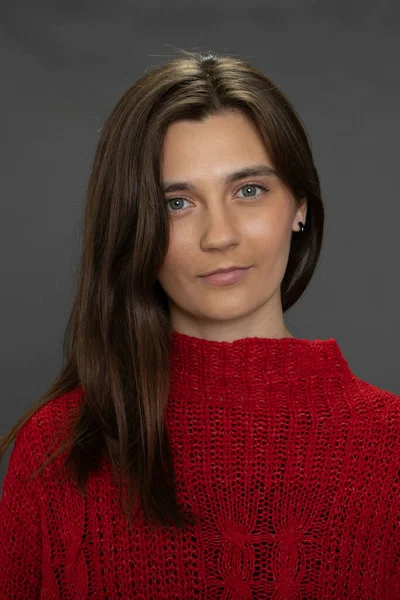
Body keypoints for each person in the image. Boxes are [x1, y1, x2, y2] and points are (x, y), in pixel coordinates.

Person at [0, 49, 399, 598]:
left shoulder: (391, 448)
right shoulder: (60, 452)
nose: (220, 236)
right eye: (177, 203)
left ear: (300, 205)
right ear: (132, 225)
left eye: (249, 191)